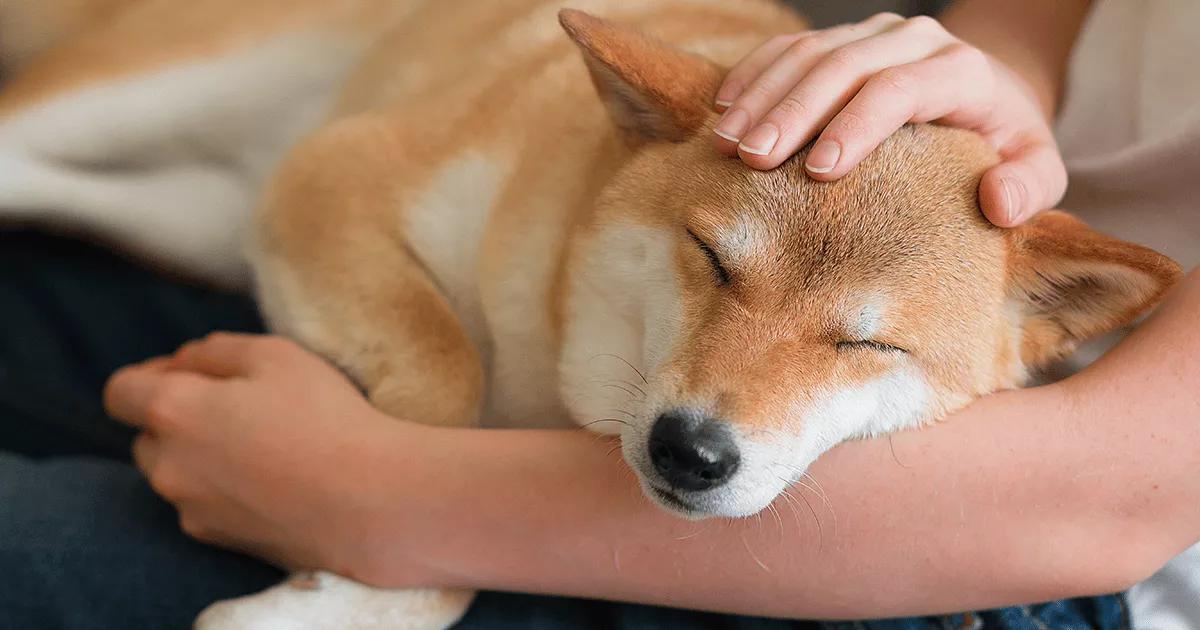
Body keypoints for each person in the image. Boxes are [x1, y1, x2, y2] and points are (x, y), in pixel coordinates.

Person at [2, 0, 1197, 628]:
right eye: (717, 276)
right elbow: (1043, 18)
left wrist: (389, 503)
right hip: (847, 192)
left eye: (856, 347)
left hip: (949, 559)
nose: (721, 398)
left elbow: (1106, 500)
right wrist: (985, 91)